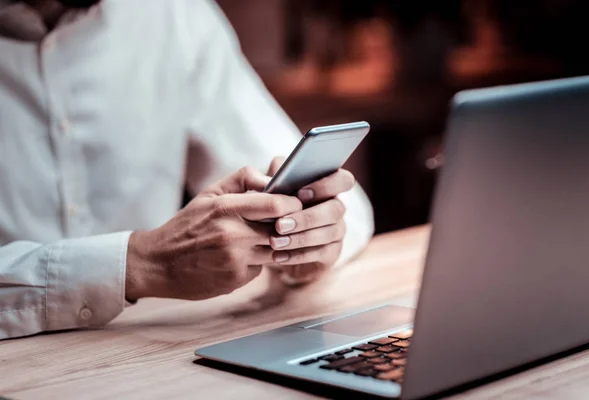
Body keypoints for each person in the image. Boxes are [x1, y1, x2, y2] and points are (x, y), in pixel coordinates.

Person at [0, 0, 375, 340]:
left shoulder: (173, 13)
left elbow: (347, 206)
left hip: (147, 351)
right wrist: (138, 264)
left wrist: (309, 240)